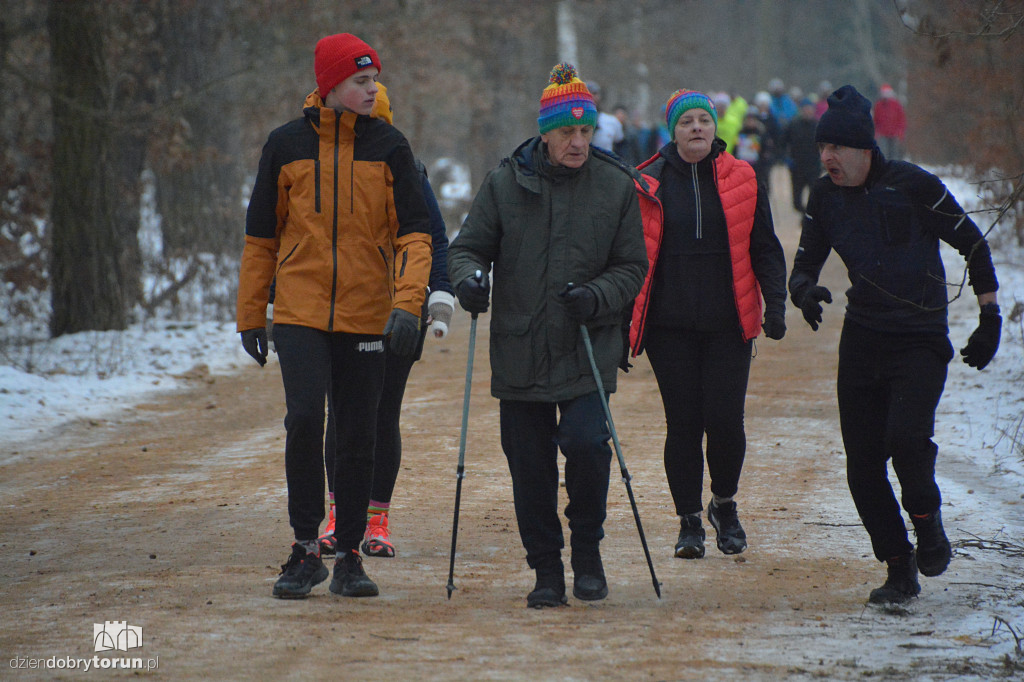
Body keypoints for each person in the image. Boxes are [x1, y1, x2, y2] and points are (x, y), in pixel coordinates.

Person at [236, 33, 432, 600]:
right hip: (299, 310)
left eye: (374, 81)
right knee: (303, 419)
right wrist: (251, 313)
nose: (372, 90)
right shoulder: (285, 145)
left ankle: (348, 555)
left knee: (357, 431)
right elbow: (261, 237)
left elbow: (415, 235)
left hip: (367, 313)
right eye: (360, 81)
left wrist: (407, 305)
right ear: (330, 85)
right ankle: (305, 549)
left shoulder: (391, 147)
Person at [788, 85, 1001, 605]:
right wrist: (804, 292)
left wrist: (990, 316)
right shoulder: (824, 196)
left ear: (865, 148)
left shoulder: (913, 185)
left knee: (907, 442)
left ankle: (927, 521)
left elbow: (973, 243)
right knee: (862, 466)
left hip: (919, 338)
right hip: (863, 338)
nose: (827, 157)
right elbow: (804, 265)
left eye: (837, 148)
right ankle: (898, 566)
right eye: (822, 147)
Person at [448, 63, 648, 608]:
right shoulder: (504, 183)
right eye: (567, 132)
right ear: (545, 132)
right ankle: (546, 569)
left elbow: (633, 266)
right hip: (521, 348)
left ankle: (587, 553)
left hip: (587, 345)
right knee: (529, 466)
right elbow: (466, 248)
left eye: (586, 131)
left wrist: (598, 295)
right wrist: (469, 280)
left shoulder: (614, 185)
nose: (578, 142)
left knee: (587, 446)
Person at [627, 89, 787, 561]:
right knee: (683, 423)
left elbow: (765, 246)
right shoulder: (647, 182)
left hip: (728, 321)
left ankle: (724, 505)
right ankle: (689, 522)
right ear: (672, 131)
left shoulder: (744, 177)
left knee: (725, 420)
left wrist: (776, 305)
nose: (696, 127)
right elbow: (631, 258)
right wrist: (621, 323)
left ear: (715, 127)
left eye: (703, 119)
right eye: (686, 122)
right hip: (669, 326)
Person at [316, 84, 455, 561]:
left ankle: (377, 521)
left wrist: (440, 295)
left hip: (401, 309)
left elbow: (435, 238)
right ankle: (338, 518)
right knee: (341, 414)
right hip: (337, 310)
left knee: (381, 414)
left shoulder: (409, 171)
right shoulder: (322, 169)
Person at [782, 98, 822, 212]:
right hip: (797, 167)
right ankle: (803, 213)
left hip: (813, 167)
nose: (807, 111)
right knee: (796, 201)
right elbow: (782, 143)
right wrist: (785, 158)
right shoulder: (793, 125)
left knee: (814, 197)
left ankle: (808, 217)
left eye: (810, 109)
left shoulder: (818, 126)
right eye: (805, 109)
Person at [736, 106, 773, 192]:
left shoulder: (761, 133)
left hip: (758, 168)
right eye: (748, 119)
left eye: (752, 119)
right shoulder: (741, 132)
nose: (750, 122)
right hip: (743, 167)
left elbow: (766, 150)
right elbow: (737, 149)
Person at [587, 80, 625, 154]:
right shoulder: (574, 120)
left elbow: (620, 142)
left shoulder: (611, 121)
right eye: (588, 93)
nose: (591, 96)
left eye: (594, 93)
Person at [872, 83, 906, 161]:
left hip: (894, 134)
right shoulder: (878, 105)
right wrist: (876, 133)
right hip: (882, 134)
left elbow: (901, 120)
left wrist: (900, 132)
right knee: (884, 153)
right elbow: (875, 120)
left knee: (893, 154)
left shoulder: (896, 105)